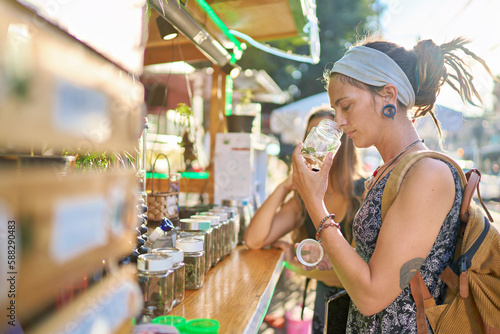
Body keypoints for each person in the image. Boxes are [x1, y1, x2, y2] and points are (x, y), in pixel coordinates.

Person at [291, 37, 495, 333]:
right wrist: (331, 257)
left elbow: (372, 296)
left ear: (388, 94)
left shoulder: (428, 174)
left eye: (346, 106)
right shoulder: (388, 171)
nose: (339, 121)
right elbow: (372, 265)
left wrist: (314, 203)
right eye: (335, 109)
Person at [244, 105, 366, 333]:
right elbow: (254, 240)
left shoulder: (363, 193)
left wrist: (298, 265)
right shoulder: (302, 200)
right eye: (314, 136)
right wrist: (286, 185)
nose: (318, 146)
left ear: (342, 145)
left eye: (327, 138)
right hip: (324, 302)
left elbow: (353, 273)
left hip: (359, 308)